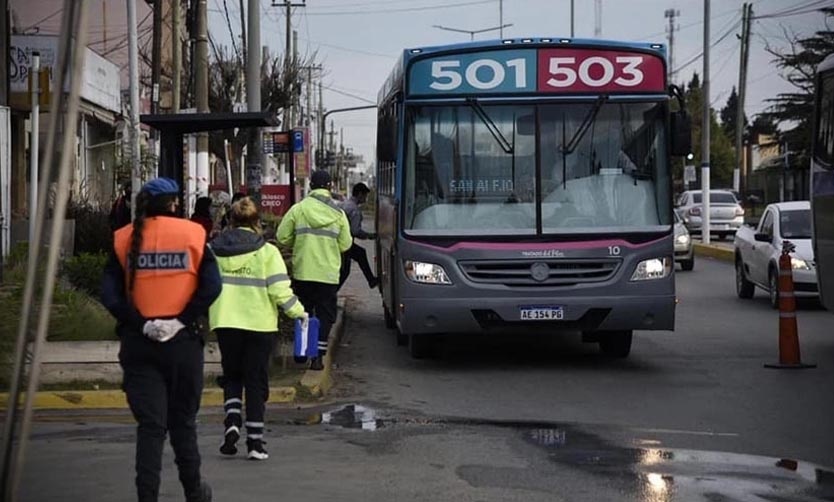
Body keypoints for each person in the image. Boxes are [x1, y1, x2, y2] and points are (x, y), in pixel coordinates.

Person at [101, 177, 220, 502]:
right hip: (182, 347)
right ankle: (195, 493)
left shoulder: (123, 239)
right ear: (174, 204)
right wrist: (180, 321)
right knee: (182, 424)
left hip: (140, 347)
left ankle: (147, 497)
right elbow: (212, 287)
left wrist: (141, 324)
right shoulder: (194, 235)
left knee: (151, 429)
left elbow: (109, 295)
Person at [208, 197, 307, 461]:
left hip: (226, 323)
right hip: (259, 325)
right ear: (256, 223)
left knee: (232, 376)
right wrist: (300, 313)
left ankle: (231, 420)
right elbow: (279, 291)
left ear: (231, 221)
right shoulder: (267, 253)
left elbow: (204, 285)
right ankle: (254, 443)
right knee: (255, 381)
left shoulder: (213, 250)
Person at [276, 169, 351, 370]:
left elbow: (281, 236)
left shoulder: (298, 209)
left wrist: (298, 242)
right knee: (325, 315)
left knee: (305, 312)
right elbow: (346, 245)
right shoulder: (338, 214)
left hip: (303, 272)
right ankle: (317, 357)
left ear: (310, 187)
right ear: (330, 188)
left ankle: (302, 351)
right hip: (328, 275)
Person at [338, 182, 378, 289]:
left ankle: (371, 280)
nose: (366, 198)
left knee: (345, 269)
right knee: (347, 268)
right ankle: (371, 280)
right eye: (365, 195)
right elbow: (355, 231)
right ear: (360, 194)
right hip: (345, 242)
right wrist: (369, 236)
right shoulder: (354, 210)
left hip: (337, 240)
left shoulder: (344, 204)